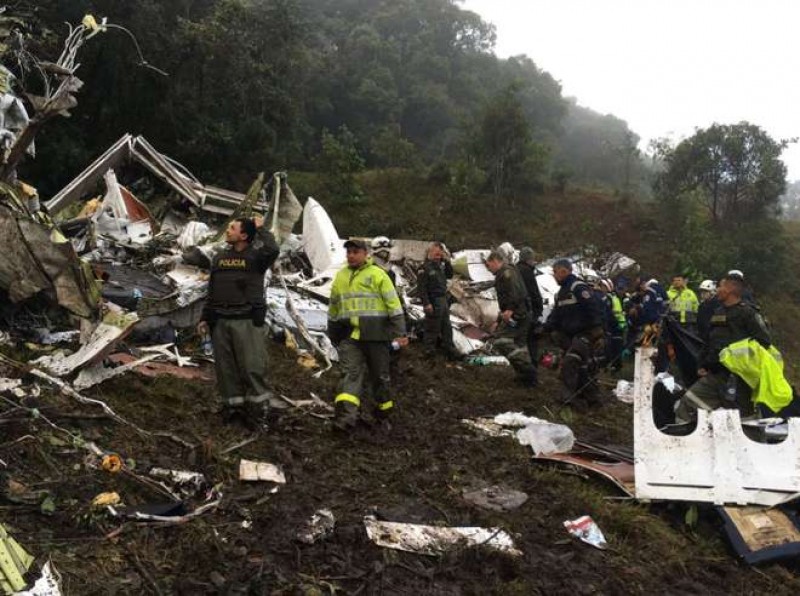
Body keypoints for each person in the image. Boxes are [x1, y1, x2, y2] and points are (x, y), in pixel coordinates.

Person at [197, 216, 279, 426]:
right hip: (221, 321)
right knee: (226, 369)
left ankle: (260, 410)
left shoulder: (256, 258)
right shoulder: (219, 258)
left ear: (243, 235)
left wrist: (261, 229)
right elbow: (212, 290)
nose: (228, 230)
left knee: (252, 367)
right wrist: (205, 317)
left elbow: (273, 250)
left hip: (246, 320)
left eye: (232, 228)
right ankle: (234, 410)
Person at [328, 239, 408, 430]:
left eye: (355, 252)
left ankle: (382, 413)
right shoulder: (340, 276)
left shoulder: (378, 275)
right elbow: (334, 307)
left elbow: (394, 306)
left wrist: (400, 333)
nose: (351, 256)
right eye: (348, 252)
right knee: (350, 375)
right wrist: (333, 332)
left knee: (379, 377)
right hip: (350, 336)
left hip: (376, 336)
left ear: (366, 254)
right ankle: (347, 418)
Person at [675, 275, 771, 423]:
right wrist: (702, 364)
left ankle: (758, 444)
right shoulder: (718, 311)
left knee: (746, 421)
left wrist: (736, 356)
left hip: (739, 380)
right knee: (687, 406)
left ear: (730, 289)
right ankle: (686, 442)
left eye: (720, 286)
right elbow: (709, 340)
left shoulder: (748, 313)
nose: (717, 290)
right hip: (715, 376)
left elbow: (764, 342)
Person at [544, 259, 605, 405]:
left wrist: (598, 332)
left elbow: (594, 309)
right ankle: (591, 398)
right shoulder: (560, 294)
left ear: (564, 271)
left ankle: (567, 397)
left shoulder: (579, 288)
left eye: (555, 272)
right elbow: (556, 316)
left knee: (571, 361)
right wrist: (544, 328)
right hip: (570, 336)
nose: (554, 275)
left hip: (586, 333)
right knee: (584, 366)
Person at [485, 251, 537, 387]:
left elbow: (516, 292)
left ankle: (528, 372)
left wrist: (510, 310)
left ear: (495, 261)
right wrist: (498, 319)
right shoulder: (506, 272)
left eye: (489, 265)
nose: (488, 269)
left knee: (501, 341)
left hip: (518, 314)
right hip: (520, 313)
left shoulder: (506, 273)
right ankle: (527, 376)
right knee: (520, 345)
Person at [418, 241, 458, 359]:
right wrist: (426, 303)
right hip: (433, 301)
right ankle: (428, 351)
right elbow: (422, 288)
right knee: (432, 327)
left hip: (443, 300)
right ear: (429, 253)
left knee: (446, 326)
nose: (438, 257)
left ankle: (450, 350)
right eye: (436, 254)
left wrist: (447, 260)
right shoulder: (424, 268)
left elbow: (450, 275)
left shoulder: (440, 266)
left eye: (440, 255)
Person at [516, 246, 544, 381]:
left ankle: (521, 373)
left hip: (517, 313)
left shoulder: (515, 270)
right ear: (529, 259)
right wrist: (538, 311)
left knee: (520, 344)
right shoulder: (527, 272)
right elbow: (534, 293)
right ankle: (531, 375)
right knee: (531, 343)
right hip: (529, 312)